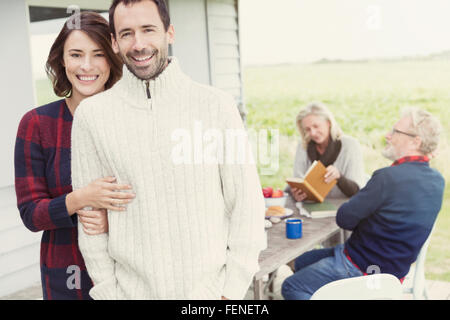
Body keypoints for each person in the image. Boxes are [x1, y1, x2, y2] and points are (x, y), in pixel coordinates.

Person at [70, 0, 265, 300]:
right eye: (126, 33)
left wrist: (231, 291)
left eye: (148, 30)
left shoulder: (217, 106)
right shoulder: (92, 116)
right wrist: (110, 293)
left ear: (169, 33)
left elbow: (247, 206)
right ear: (114, 42)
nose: (139, 44)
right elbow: (91, 218)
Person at [14, 12, 135, 300]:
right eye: (76, 54)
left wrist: (115, 223)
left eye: (98, 54)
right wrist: (82, 199)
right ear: (62, 60)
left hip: (130, 268)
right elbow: (32, 214)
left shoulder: (133, 121)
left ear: (112, 59)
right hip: (67, 273)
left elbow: (158, 199)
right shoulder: (37, 124)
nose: (87, 66)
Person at [281, 107, 445, 300]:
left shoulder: (387, 178)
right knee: (300, 262)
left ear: (415, 141)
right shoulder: (437, 180)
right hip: (390, 271)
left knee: (291, 286)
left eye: (395, 132)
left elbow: (344, 218)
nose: (387, 136)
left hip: (360, 267)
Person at [288, 102, 366, 203]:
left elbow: (357, 191)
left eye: (316, 126)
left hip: (344, 207)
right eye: (307, 129)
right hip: (311, 206)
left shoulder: (350, 145)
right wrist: (297, 194)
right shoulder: (303, 146)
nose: (312, 133)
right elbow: (297, 180)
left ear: (328, 123)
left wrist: (339, 177)